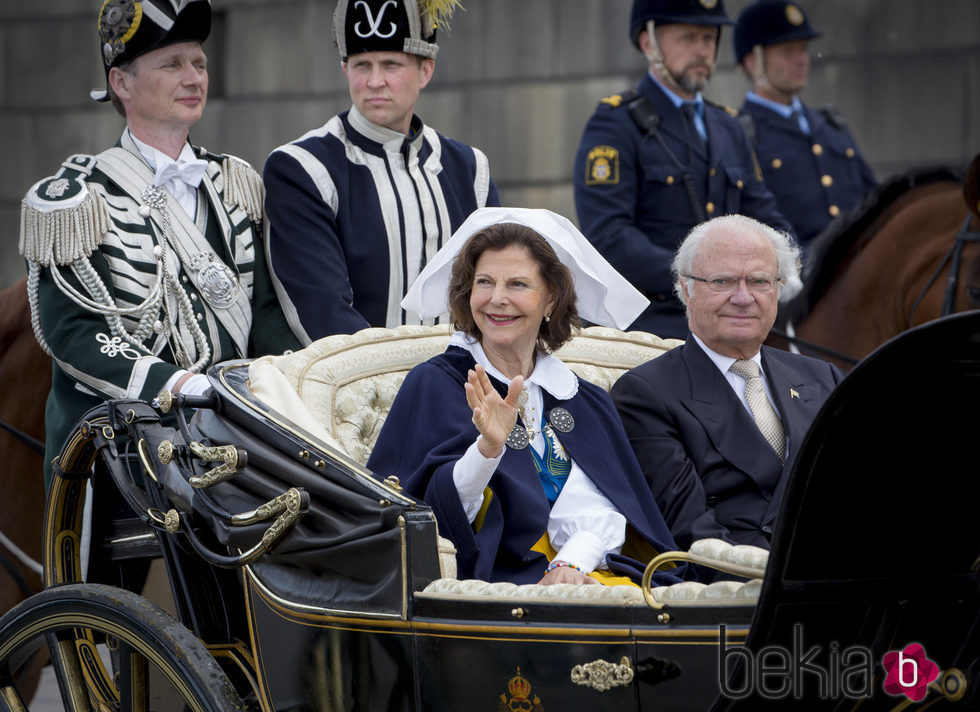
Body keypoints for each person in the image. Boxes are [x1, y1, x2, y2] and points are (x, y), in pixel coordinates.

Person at [19, 0, 300, 487]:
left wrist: (300, 379)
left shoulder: (234, 183)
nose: (193, 78)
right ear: (121, 83)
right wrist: (174, 383)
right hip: (123, 440)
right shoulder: (77, 200)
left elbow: (267, 318)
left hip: (237, 428)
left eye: (199, 64)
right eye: (172, 64)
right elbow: (75, 334)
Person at [367, 208, 685, 586]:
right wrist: (487, 450)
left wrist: (571, 564)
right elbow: (422, 515)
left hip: (591, 573)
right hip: (496, 584)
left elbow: (606, 504)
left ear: (551, 299)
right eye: (484, 282)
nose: (496, 299)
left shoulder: (586, 399)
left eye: (517, 284)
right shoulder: (436, 383)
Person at [264, 0, 499, 344]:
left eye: (391, 64)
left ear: (425, 71)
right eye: (362, 65)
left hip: (467, 383)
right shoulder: (302, 168)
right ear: (345, 69)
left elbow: (498, 289)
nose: (375, 81)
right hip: (353, 387)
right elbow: (322, 310)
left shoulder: (470, 168)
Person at [611, 215, 844, 560]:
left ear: (779, 289)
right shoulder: (645, 394)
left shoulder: (823, 377)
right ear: (686, 289)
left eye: (759, 281)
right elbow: (692, 534)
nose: (743, 297)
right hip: (744, 588)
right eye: (723, 281)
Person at [573, 0, 793, 339]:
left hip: (733, 314)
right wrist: (698, 278)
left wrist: (787, 267)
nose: (703, 50)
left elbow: (764, 215)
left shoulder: (729, 125)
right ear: (649, 44)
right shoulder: (616, 122)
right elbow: (609, 236)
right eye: (688, 37)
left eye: (709, 38)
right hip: (651, 321)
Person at [733, 1, 877, 248]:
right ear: (752, 62)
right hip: (796, 275)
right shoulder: (738, 132)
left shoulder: (830, 124)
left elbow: (874, 201)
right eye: (787, 52)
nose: (801, 60)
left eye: (803, 49)